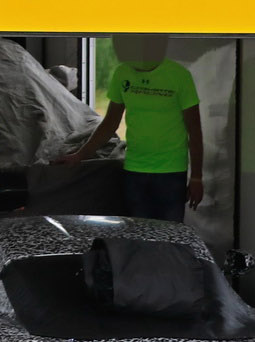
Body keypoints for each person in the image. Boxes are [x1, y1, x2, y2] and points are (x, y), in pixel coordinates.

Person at [60, 35, 202, 224]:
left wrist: (197, 177)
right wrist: (80, 155)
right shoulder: (122, 73)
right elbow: (110, 123)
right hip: (135, 170)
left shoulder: (179, 76)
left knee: (170, 232)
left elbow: (195, 131)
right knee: (137, 232)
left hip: (171, 173)